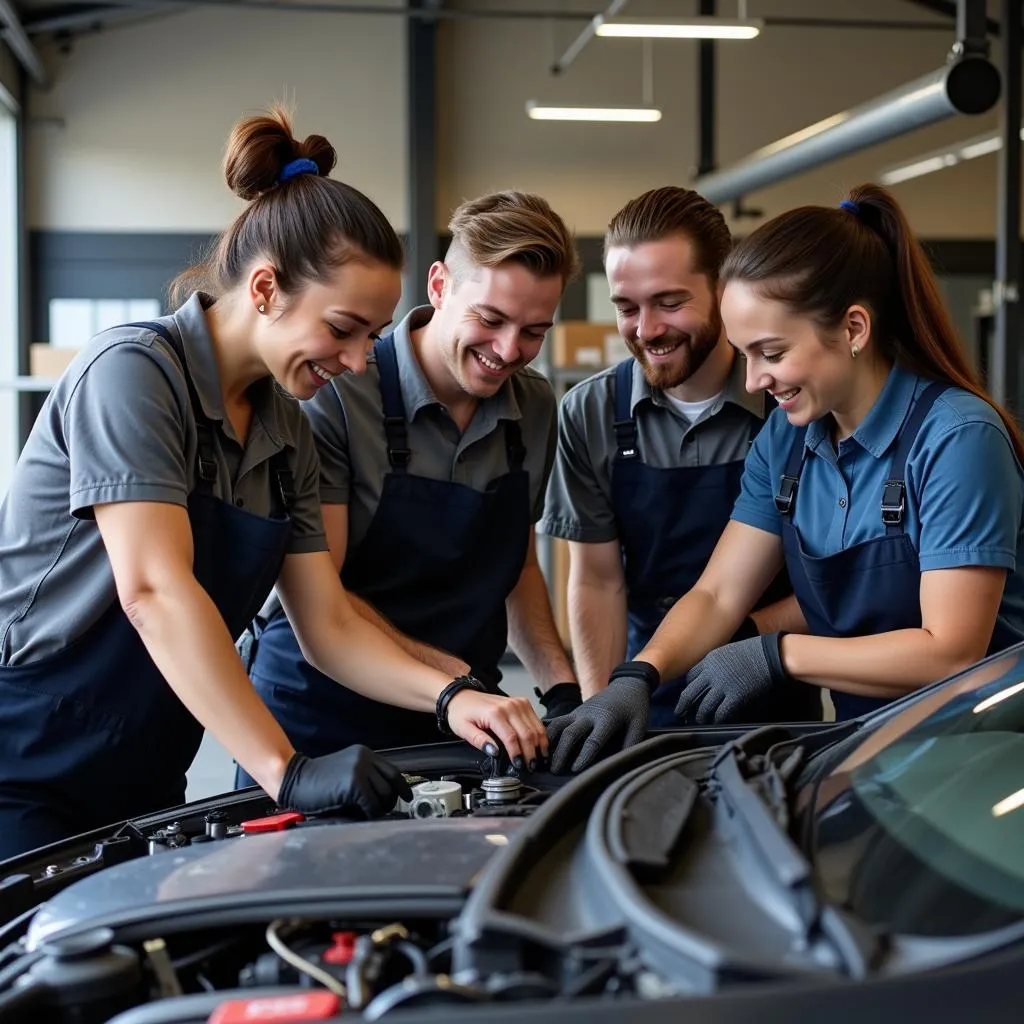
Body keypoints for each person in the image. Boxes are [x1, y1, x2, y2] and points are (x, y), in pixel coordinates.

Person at [0, 108, 545, 859]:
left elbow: (327, 623)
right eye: (344, 329)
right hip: (25, 761)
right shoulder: (133, 375)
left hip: (153, 765)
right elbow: (154, 591)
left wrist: (453, 698)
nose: (359, 362)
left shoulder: (288, 429)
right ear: (264, 288)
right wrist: (283, 772)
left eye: (371, 338)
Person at [546, 182, 1024, 772]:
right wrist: (638, 674)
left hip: (986, 757)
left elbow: (951, 653)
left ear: (853, 329)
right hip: (871, 751)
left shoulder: (956, 437)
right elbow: (718, 593)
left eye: (770, 353)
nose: (752, 382)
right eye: (745, 353)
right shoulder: (788, 439)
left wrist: (777, 656)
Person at [241, 191, 583, 775]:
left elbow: (519, 569)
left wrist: (565, 693)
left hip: (466, 719)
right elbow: (323, 600)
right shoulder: (337, 392)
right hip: (321, 717)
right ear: (439, 285)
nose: (507, 352)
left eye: (533, 332)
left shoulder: (536, 407)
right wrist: (454, 683)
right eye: (491, 319)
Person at [538, 187, 816, 768]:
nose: (646, 329)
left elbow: (837, 582)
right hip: (643, 692)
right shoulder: (591, 413)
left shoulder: (793, 407)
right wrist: (603, 705)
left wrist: (748, 636)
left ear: (722, 287)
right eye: (626, 306)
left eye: (669, 302)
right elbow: (596, 582)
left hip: (775, 697)